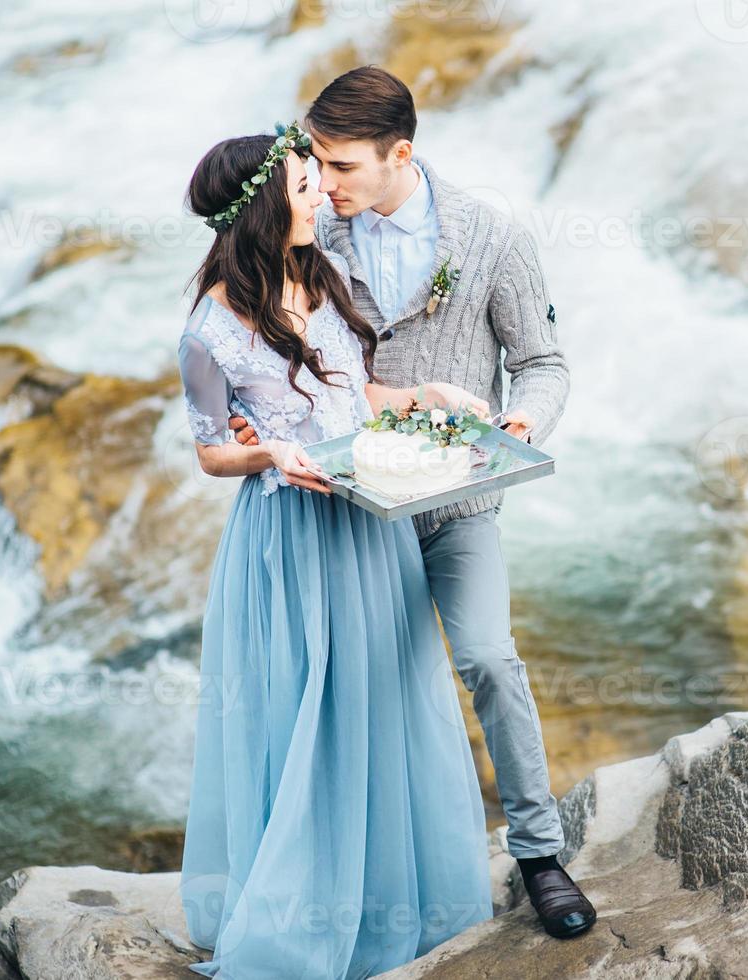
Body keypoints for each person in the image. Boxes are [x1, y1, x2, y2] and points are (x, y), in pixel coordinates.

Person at [226, 66, 595, 939]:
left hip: (459, 504)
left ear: (402, 153)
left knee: (490, 660)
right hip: (349, 518)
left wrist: (519, 421)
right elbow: (259, 341)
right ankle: (345, 886)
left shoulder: (494, 236)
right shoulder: (308, 234)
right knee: (352, 698)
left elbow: (544, 363)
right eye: (313, 161)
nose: (322, 181)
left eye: (340, 165)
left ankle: (539, 855)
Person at [176, 120, 495, 978]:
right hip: (293, 539)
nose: (323, 193)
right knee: (309, 716)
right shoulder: (210, 331)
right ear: (263, 208)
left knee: (384, 704)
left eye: (322, 178)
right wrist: (270, 452)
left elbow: (356, 394)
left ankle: (390, 897)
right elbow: (211, 450)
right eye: (305, 184)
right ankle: (304, 920)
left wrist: (423, 393)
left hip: (368, 524)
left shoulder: (324, 271)